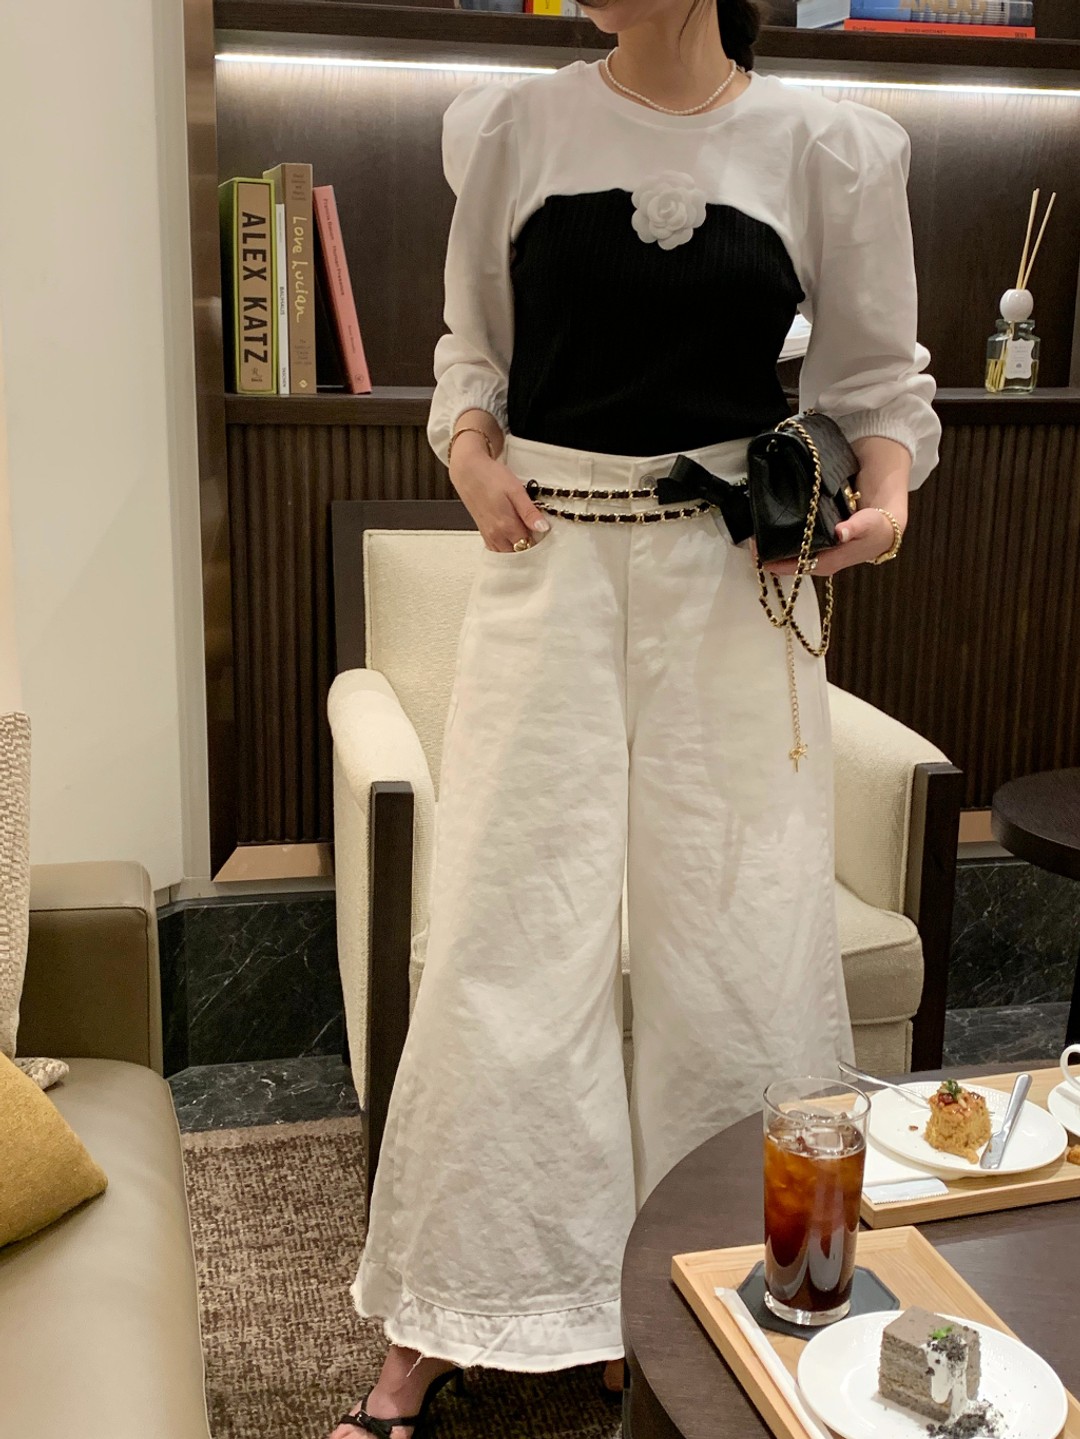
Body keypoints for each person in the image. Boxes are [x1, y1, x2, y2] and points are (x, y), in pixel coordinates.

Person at [331, 0, 939, 1429]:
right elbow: (471, 353)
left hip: (731, 588)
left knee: (737, 938)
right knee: (506, 933)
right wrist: (468, 454)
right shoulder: (510, 127)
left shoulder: (829, 147)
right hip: (545, 566)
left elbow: (873, 380)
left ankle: (688, 1282)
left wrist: (890, 496)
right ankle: (450, 1314)